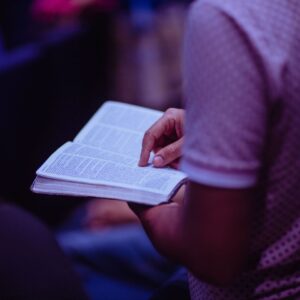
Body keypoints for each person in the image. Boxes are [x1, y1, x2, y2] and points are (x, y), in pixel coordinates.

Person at [132, 0, 300, 299]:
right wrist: (217, 129)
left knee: (75, 249)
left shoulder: (229, 13)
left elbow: (213, 255)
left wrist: (147, 208)